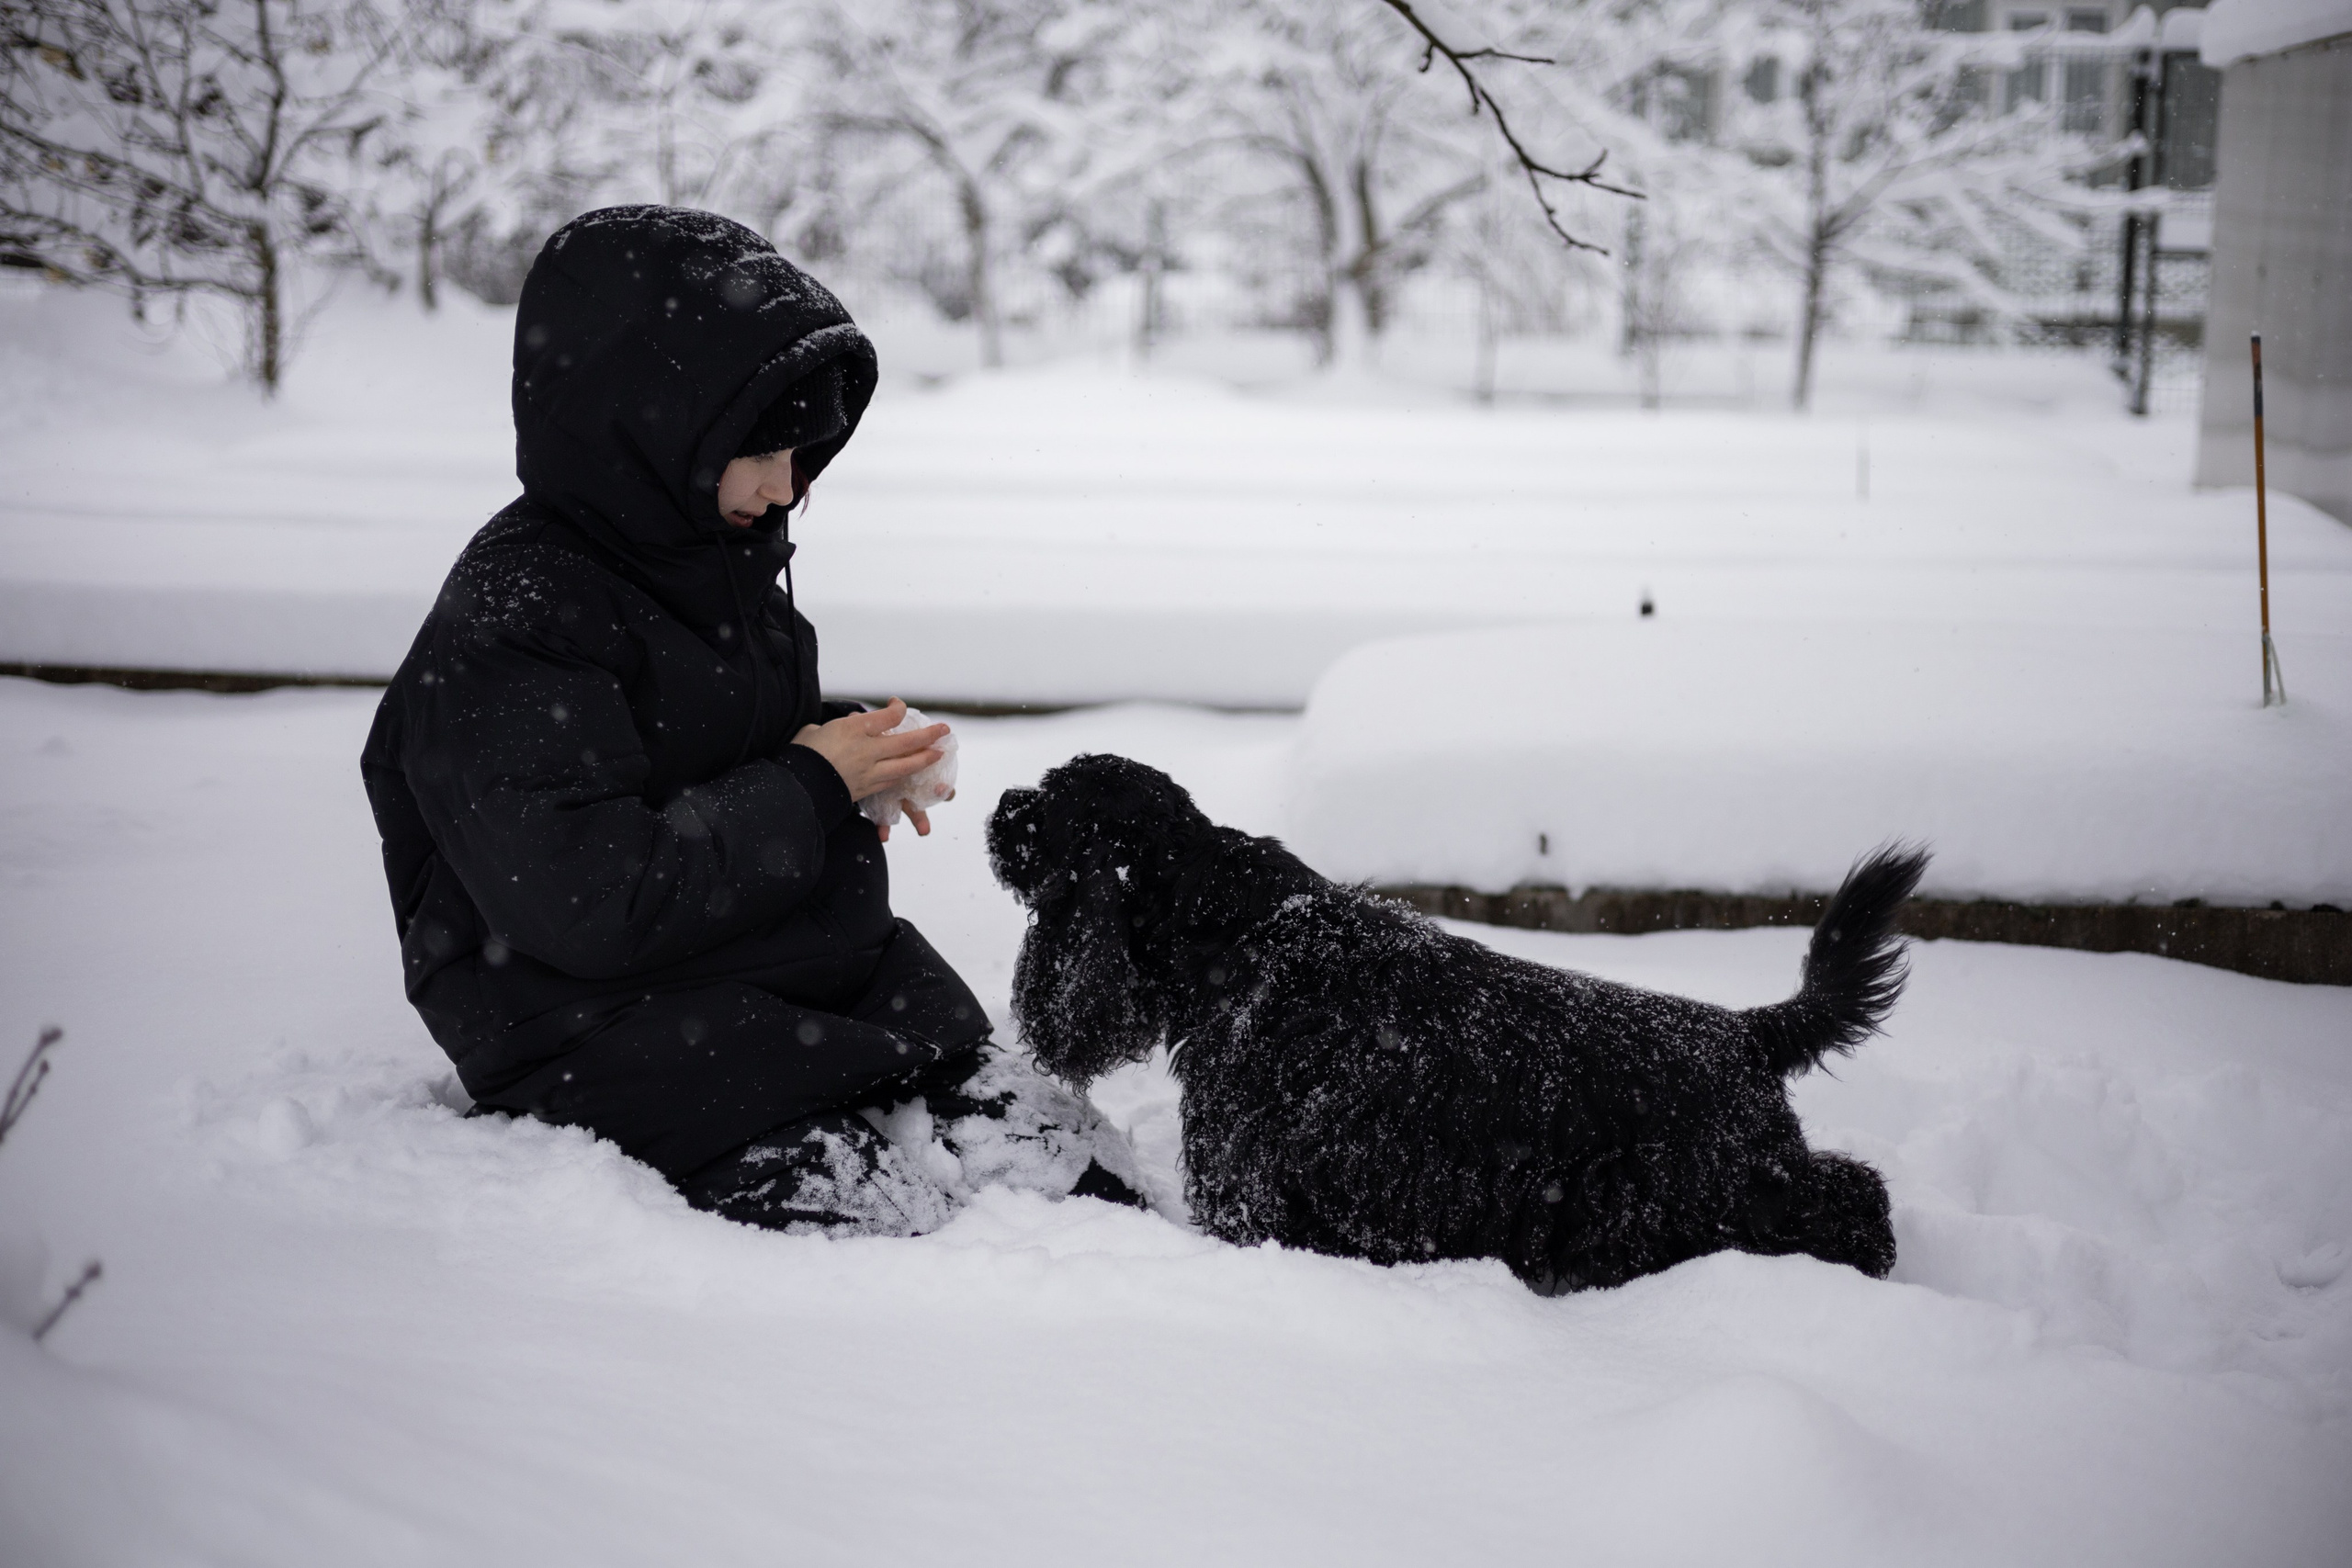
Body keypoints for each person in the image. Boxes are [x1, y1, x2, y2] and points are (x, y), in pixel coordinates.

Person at [360, 206, 1140, 1235]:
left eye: (804, 449)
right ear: (650, 423)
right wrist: (812, 782)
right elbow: (591, 898)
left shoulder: (710, 555)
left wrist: (853, 753)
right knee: (910, 1236)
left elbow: (703, 732)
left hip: (797, 978)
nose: (787, 486)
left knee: (1075, 1177)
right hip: (601, 1024)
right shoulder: (518, 619)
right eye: (759, 448)